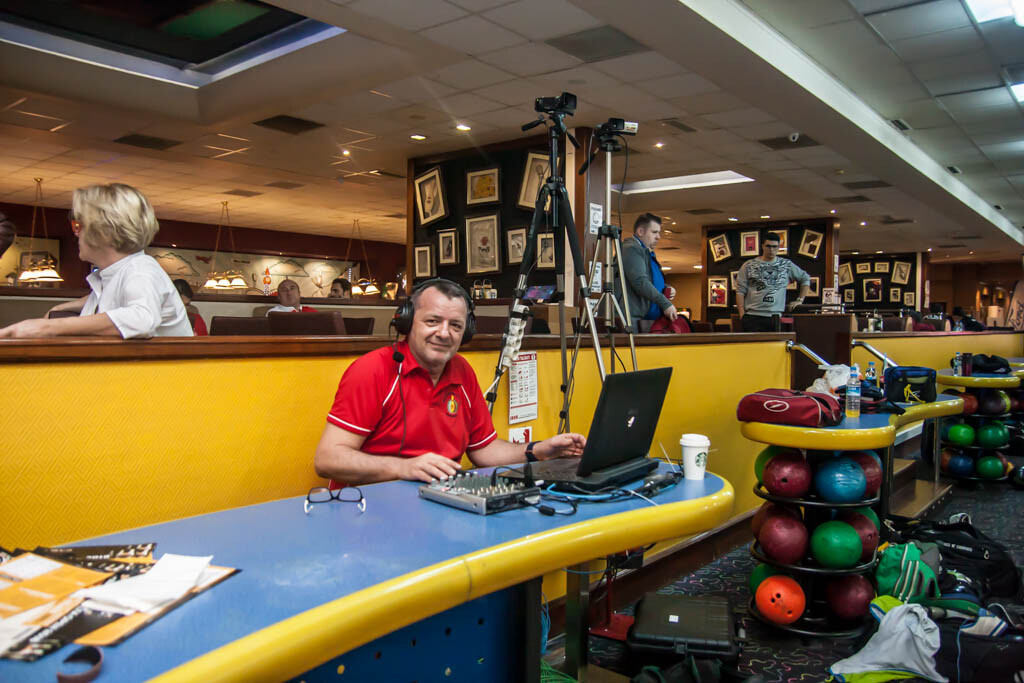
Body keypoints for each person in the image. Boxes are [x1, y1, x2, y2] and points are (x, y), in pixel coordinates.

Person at [314, 279, 585, 484]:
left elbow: (484, 450)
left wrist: (539, 450)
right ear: (407, 322)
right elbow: (327, 459)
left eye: (455, 325)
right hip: (368, 509)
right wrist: (404, 468)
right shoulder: (372, 370)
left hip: (437, 504)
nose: (444, 333)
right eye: (433, 321)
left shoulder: (462, 371)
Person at [0, 183, 193, 339]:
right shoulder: (118, 273)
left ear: (104, 232)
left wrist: (46, 327)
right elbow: (114, 296)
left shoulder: (140, 270)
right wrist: (61, 308)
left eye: (78, 226)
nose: (76, 234)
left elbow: (141, 320)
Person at [736, 230, 810, 332]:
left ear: (779, 247)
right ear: (762, 246)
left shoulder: (786, 264)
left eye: (775, 246)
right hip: (752, 315)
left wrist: (800, 300)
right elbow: (740, 291)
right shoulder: (749, 265)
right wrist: (742, 315)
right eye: (768, 246)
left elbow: (805, 278)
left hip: (775, 316)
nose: (771, 249)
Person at [616, 213, 677, 332]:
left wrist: (665, 287)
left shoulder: (646, 253)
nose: (658, 237)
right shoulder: (631, 249)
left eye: (659, 233)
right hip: (631, 319)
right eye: (654, 232)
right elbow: (640, 281)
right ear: (640, 231)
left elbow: (649, 280)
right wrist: (665, 303)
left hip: (646, 320)